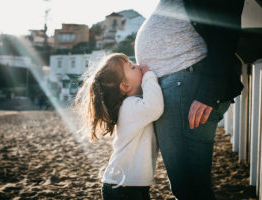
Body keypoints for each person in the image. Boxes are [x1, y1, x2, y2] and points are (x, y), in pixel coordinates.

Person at [135, 0, 245, 199]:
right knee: (187, 186)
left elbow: (226, 28)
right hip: (179, 84)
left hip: (187, 84)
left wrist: (208, 92)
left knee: (190, 189)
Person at [75, 53, 164, 200]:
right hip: (125, 186)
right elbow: (155, 107)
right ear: (125, 86)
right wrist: (149, 76)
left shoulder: (132, 105)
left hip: (126, 184)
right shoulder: (129, 106)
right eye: (133, 67)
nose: (139, 67)